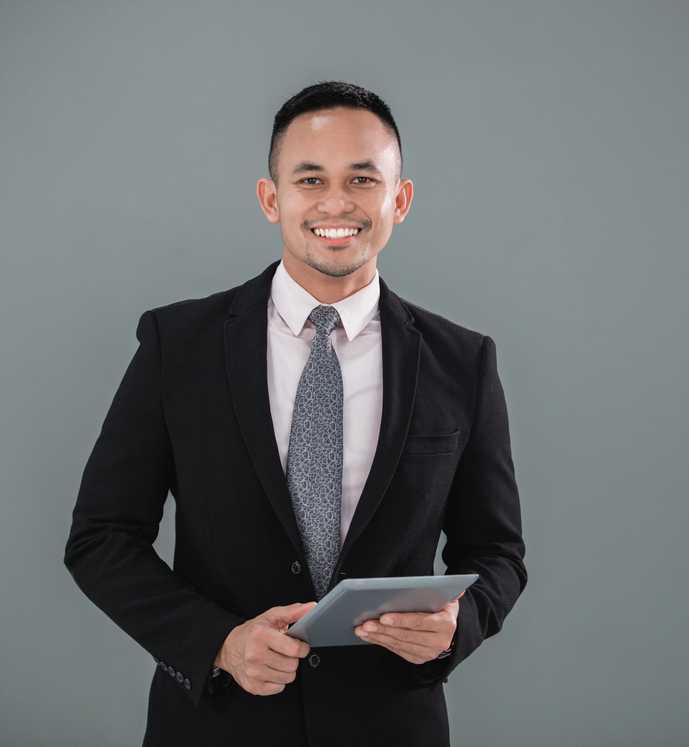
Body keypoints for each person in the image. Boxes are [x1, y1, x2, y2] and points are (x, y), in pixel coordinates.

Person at [63, 80, 527, 747]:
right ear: (271, 198)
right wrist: (217, 642)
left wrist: (462, 621)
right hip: (215, 726)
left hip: (391, 727)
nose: (336, 202)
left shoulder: (463, 362)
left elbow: (498, 552)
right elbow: (100, 537)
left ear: (400, 200)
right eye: (311, 179)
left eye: (363, 180)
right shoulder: (179, 346)